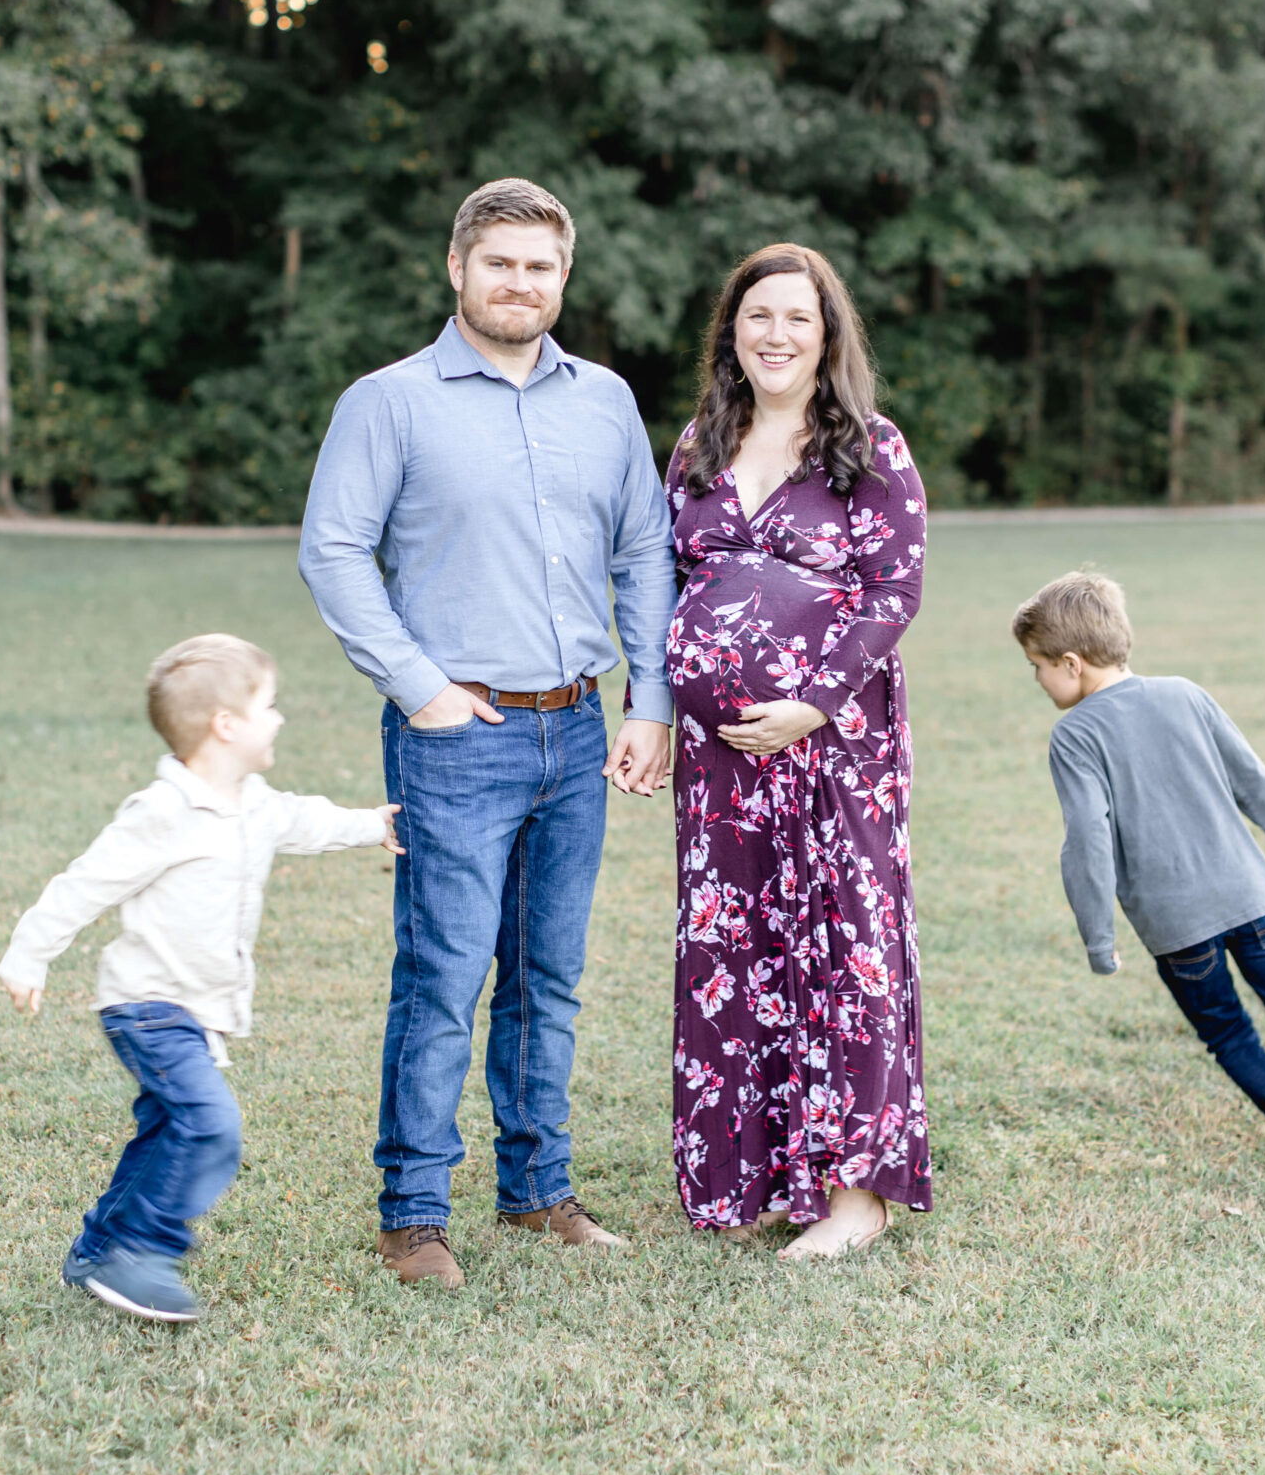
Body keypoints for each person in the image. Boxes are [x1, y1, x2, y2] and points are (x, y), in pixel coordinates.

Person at [299, 178, 676, 1290]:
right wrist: (416, 686)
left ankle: (536, 1191)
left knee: (549, 976)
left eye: (542, 266)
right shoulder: (391, 401)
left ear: (565, 278)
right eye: (500, 262)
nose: (522, 283)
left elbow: (645, 553)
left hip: (579, 731)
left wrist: (648, 699)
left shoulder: (605, 401)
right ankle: (413, 1213)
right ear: (457, 268)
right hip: (458, 732)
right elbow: (333, 550)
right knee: (444, 974)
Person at [0, 634, 399, 1322]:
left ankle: (97, 1250)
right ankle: (142, 1253)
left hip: (197, 1011)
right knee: (209, 1124)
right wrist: (27, 955)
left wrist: (372, 825)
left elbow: (306, 821)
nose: (279, 718)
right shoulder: (163, 812)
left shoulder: (255, 803)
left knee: (162, 1132)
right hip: (146, 1006)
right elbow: (84, 884)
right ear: (226, 725)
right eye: (268, 705)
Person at [666, 244, 929, 1259]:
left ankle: (857, 1191)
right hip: (722, 765)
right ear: (732, 329)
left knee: (840, 942)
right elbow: (667, 577)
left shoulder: (869, 446)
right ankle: (772, 1174)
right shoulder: (700, 442)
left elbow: (895, 592)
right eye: (758, 316)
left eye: (798, 319)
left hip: (835, 746)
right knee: (739, 950)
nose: (776, 335)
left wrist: (813, 704)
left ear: (828, 337)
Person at [1013, 569, 1265, 1165]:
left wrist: (1098, 938)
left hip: (1178, 927)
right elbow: (1252, 779)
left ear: (1072, 663)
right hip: (1252, 896)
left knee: (1231, 1037)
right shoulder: (1186, 693)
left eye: (1036, 665)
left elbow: (1087, 841)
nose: (1035, 678)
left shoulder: (1074, 735)